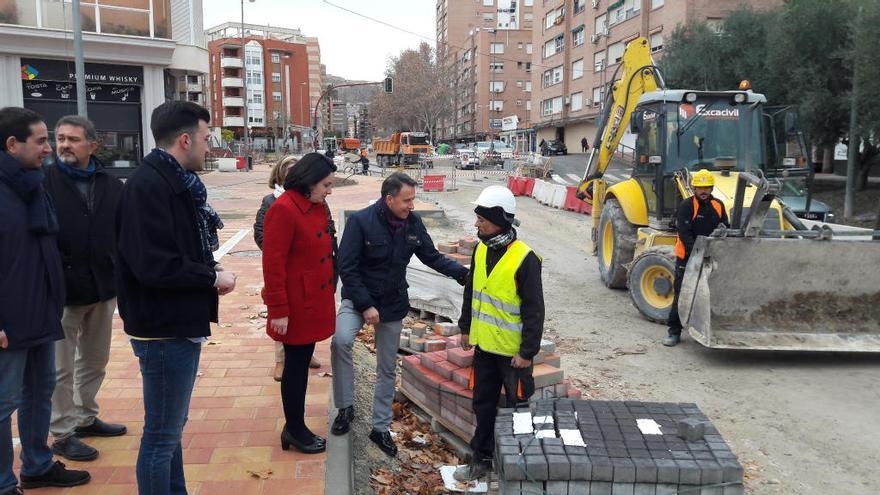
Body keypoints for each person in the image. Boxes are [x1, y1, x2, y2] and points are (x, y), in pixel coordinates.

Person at [116, 101, 236, 495]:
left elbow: (173, 252)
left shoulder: (173, 181)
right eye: (205, 138)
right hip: (162, 329)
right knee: (161, 436)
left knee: (170, 429)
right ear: (185, 139)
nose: (208, 146)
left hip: (173, 323)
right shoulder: (149, 186)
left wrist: (208, 270)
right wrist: (211, 277)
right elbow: (155, 266)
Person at [331, 172, 469, 457]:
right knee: (341, 340)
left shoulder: (413, 223)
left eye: (413, 199)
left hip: (393, 303)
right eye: (407, 200)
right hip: (359, 300)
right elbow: (347, 267)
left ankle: (380, 427)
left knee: (386, 366)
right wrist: (366, 304)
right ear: (389, 199)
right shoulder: (361, 222)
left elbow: (431, 256)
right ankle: (345, 408)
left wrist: (465, 274)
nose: (411, 206)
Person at [0, 107, 91, 494]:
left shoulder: (32, 185)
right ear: (11, 144)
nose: (49, 149)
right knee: (4, 402)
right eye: (40, 141)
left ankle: (36, 466)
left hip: (40, 309)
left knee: (39, 392)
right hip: (8, 320)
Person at [44, 116, 127, 463]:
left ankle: (85, 416)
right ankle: (62, 432)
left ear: (93, 145)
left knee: (95, 359)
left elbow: (122, 231)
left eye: (73, 139)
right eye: (60, 138)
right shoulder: (43, 181)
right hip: (61, 290)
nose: (64, 145)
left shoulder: (111, 184)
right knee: (60, 368)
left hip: (102, 285)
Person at [452, 185, 545, 482]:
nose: (477, 223)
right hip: (484, 350)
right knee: (483, 404)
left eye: (482, 218)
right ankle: (482, 458)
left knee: (518, 406)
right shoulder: (481, 249)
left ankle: (520, 464)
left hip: (512, 355)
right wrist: (465, 326)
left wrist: (526, 352)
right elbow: (472, 292)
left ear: (500, 219)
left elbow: (534, 310)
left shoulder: (525, 258)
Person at [262, 153, 338, 454]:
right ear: (309, 182)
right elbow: (273, 264)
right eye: (326, 185)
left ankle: (294, 427)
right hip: (296, 303)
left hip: (313, 298)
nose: (329, 191)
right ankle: (295, 429)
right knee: (295, 367)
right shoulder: (284, 209)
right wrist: (278, 310)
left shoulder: (315, 204)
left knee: (301, 363)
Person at [254, 155, 322, 381]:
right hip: (280, 268)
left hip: (307, 272)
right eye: (289, 170)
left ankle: (305, 354)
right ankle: (281, 360)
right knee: (281, 314)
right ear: (280, 173)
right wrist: (280, 251)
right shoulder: (272, 201)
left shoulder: (314, 200)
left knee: (305, 316)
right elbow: (261, 233)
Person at [665, 169, 729, 347]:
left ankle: (706, 329)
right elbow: (685, 234)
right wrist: (698, 253)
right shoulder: (687, 206)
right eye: (700, 187)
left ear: (711, 188)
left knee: (709, 293)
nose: (703, 191)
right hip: (687, 257)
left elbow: (726, 227)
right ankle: (674, 331)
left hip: (710, 257)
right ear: (694, 188)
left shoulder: (718, 205)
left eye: (706, 187)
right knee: (682, 293)